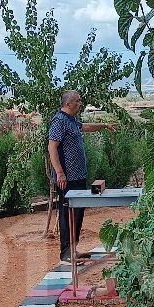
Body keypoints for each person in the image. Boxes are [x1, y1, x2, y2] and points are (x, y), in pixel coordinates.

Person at [47, 90, 113, 261]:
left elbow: (86, 127)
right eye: (78, 101)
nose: (80, 103)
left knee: (77, 213)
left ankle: (73, 250)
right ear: (68, 104)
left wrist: (104, 126)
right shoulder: (59, 121)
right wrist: (60, 174)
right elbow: (52, 148)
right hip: (67, 178)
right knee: (67, 213)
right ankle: (66, 253)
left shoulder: (72, 121)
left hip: (78, 176)